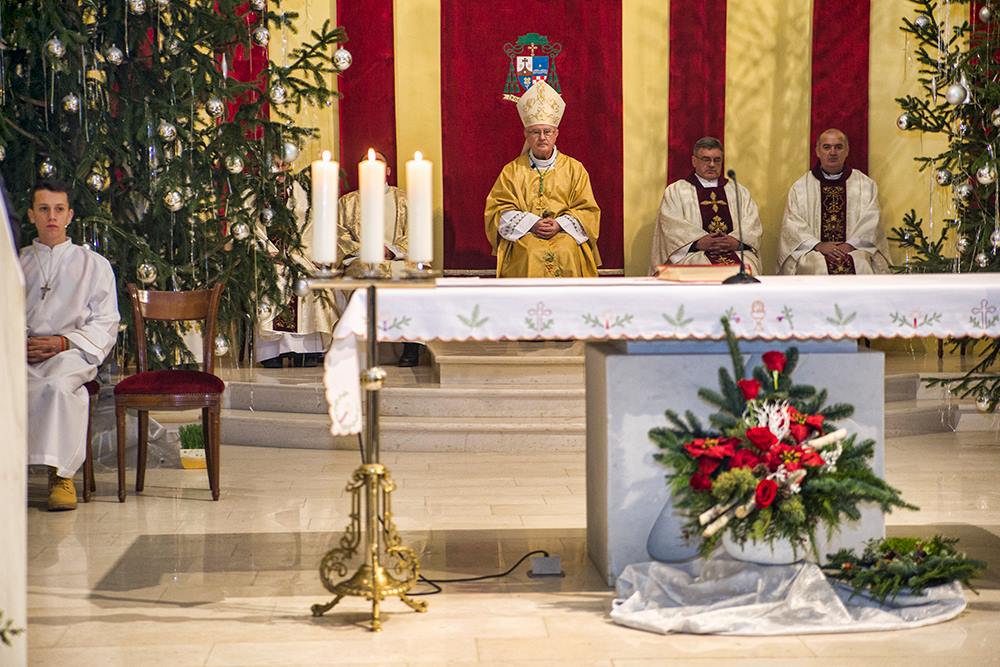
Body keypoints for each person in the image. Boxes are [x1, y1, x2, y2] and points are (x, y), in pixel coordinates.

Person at [20, 180, 119, 511]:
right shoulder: (15, 264)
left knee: (59, 387)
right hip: (22, 352)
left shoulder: (94, 265)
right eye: (44, 209)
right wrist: (19, 342)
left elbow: (106, 320)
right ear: (31, 215)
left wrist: (63, 341)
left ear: (70, 215)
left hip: (71, 352)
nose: (52, 216)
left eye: (59, 209)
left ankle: (61, 476)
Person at [484, 80, 601, 277]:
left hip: (564, 234)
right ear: (526, 134)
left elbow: (588, 211)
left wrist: (559, 224)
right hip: (526, 235)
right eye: (535, 132)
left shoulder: (575, 169)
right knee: (531, 251)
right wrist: (532, 223)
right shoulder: (512, 171)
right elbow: (497, 212)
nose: (542, 138)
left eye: (547, 132)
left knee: (566, 250)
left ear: (556, 134)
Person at [337, 152, 422, 367]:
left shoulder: (405, 200)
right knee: (361, 276)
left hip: (397, 259)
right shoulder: (347, 202)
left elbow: (416, 232)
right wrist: (367, 250)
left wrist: (391, 250)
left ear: (388, 171)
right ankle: (362, 346)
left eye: (379, 164)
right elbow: (339, 235)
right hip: (361, 260)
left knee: (411, 279)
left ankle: (410, 345)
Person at [778, 128, 890, 275]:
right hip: (814, 252)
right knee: (817, 264)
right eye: (826, 147)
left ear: (847, 151)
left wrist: (851, 245)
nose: (832, 152)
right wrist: (818, 245)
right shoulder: (800, 188)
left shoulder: (865, 185)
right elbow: (793, 225)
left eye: (838, 147)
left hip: (854, 249)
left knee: (861, 263)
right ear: (817, 151)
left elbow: (871, 221)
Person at [649, 137, 762, 274]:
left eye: (717, 160)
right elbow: (671, 227)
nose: (712, 165)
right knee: (703, 269)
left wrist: (735, 241)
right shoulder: (677, 191)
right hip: (694, 254)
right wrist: (698, 242)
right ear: (694, 161)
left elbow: (752, 224)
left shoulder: (739, 192)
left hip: (734, 251)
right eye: (706, 159)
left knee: (748, 268)